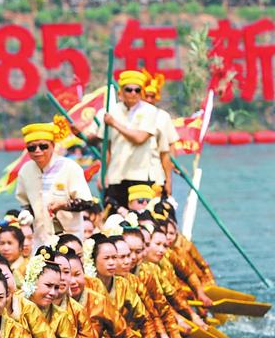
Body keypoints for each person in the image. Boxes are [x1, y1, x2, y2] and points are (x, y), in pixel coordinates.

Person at [73, 70, 162, 209]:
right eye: (129, 90)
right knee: (114, 217)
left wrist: (114, 123)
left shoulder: (149, 111)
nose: (133, 93)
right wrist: (102, 174)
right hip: (115, 175)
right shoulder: (110, 111)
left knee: (140, 216)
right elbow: (106, 146)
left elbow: (140, 138)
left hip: (140, 175)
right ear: (121, 92)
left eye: (137, 90)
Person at [15, 117, 93, 249]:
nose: (37, 151)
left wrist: (64, 205)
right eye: (32, 148)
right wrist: (26, 214)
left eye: (43, 146)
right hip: (40, 239)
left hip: (69, 237)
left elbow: (87, 202)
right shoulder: (25, 171)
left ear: (53, 145)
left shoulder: (70, 167)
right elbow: (26, 205)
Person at [142, 72, 179, 196]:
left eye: (152, 96)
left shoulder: (163, 117)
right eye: (146, 96)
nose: (149, 100)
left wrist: (169, 177)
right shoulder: (134, 115)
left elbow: (171, 145)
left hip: (157, 172)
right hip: (135, 173)